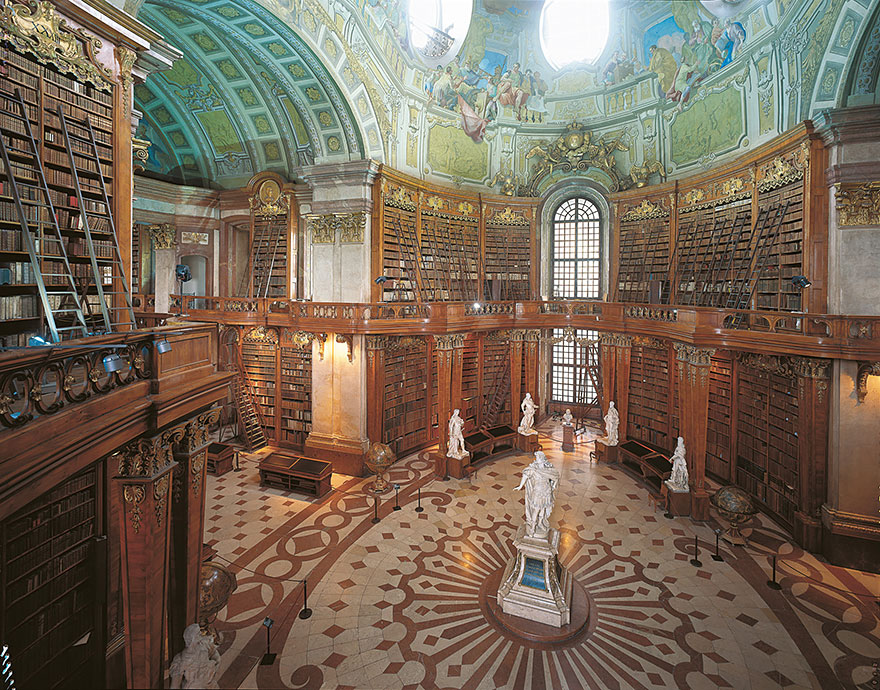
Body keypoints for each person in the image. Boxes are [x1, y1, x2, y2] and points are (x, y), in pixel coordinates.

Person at [514, 451, 559, 538]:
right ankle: (533, 528)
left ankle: (540, 523)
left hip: (546, 492)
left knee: (543, 509)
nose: (536, 459)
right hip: (538, 492)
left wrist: (553, 486)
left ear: (542, 460)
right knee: (536, 510)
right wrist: (520, 486)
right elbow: (525, 475)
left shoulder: (547, 470)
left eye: (538, 458)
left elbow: (555, 477)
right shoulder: (533, 469)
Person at [169, 624, 221, 689]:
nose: (201, 635)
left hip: (210, 685)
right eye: (198, 634)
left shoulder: (204, 647)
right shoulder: (180, 660)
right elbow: (175, 686)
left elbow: (215, 655)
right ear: (192, 637)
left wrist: (214, 667)